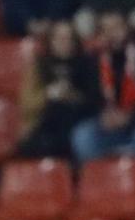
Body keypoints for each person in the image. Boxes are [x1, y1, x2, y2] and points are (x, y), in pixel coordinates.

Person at [72, 10, 135, 163]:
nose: (112, 34)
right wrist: (102, 114)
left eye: (117, 27)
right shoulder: (92, 61)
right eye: (106, 29)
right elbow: (86, 98)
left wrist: (130, 116)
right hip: (108, 123)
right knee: (83, 135)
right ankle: (100, 183)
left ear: (128, 27)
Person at [19, 21, 94, 159]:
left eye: (69, 38)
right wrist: (48, 94)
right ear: (51, 41)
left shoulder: (87, 65)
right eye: (59, 38)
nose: (64, 43)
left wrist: (72, 96)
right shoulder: (39, 67)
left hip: (77, 123)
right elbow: (27, 104)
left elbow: (94, 101)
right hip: (44, 125)